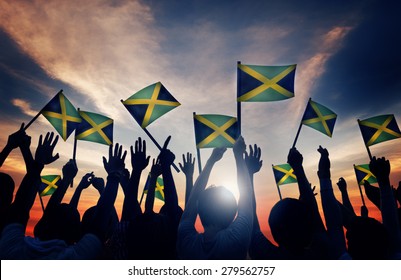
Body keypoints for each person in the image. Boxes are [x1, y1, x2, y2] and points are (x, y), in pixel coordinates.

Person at [177, 136, 253, 259]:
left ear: (199, 210)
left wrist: (211, 161)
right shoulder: (237, 239)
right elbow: (246, 195)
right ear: (233, 213)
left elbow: (192, 200)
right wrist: (239, 156)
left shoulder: (186, 241)